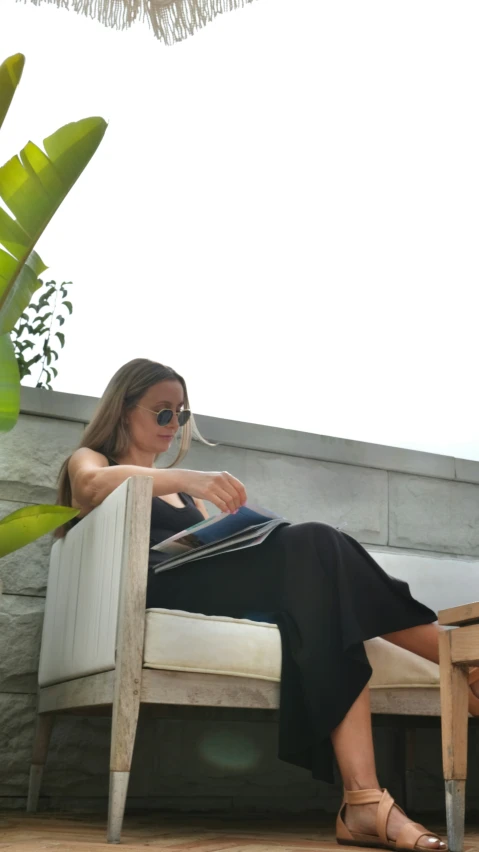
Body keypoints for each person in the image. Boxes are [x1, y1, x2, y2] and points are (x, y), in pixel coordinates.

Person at [57, 358, 479, 851]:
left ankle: (363, 802)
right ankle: (460, 658)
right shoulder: (92, 458)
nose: (174, 426)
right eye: (163, 413)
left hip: (217, 589)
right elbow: (87, 489)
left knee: (321, 589)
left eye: (182, 414)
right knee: (318, 543)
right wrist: (189, 479)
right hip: (159, 586)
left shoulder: (182, 500)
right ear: (124, 410)